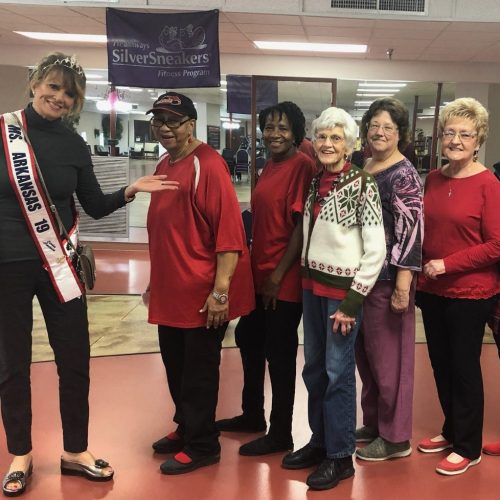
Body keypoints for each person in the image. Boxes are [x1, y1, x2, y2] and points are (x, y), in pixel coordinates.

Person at [0, 52, 178, 496]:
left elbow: (94, 205)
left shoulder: (74, 145)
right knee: (11, 365)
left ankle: (75, 450)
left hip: (60, 265)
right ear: (35, 83)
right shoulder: (5, 133)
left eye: (69, 93)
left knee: (75, 360)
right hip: (7, 264)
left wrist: (132, 189)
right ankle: (20, 453)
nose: (59, 97)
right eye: (53, 87)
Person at [145, 92, 254, 474]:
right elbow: (166, 232)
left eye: (173, 121)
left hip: (202, 294)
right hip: (171, 291)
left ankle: (204, 443)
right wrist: (153, 283)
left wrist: (220, 291)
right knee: (175, 365)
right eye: (158, 120)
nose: (164, 127)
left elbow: (229, 236)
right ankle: (186, 426)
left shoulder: (208, 165)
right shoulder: (164, 163)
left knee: (198, 372)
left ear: (191, 124)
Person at [282, 107, 385, 490]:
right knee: (313, 369)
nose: (328, 144)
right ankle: (320, 440)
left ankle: (340, 457)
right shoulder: (316, 181)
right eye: (322, 136)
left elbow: (376, 250)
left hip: (341, 298)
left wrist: (352, 302)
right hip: (311, 289)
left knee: (337, 374)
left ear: (351, 145)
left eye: (336, 137)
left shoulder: (363, 184)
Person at [215, 102, 316, 455]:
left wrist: (276, 276)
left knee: (280, 352)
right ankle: (252, 414)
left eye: (283, 128)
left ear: (296, 132)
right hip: (260, 273)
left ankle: (281, 432)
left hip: (282, 279)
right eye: (269, 127)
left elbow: (301, 228)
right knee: (247, 335)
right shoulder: (269, 165)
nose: (274, 133)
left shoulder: (302, 167)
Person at [416, 97, 500, 475]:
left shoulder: (489, 184)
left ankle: (469, 446)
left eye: (464, 134)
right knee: (441, 364)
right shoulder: (433, 178)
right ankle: (451, 430)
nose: (455, 140)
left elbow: (497, 244)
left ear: (478, 140)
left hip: (471, 291)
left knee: (464, 367)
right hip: (432, 290)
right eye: (449, 132)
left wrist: (447, 264)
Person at [354, 98, 423, 461]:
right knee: (367, 357)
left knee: (390, 362)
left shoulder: (404, 174)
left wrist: (402, 285)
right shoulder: (365, 165)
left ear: (400, 134)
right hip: (362, 279)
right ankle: (375, 423)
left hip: (387, 281)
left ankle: (396, 438)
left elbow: (411, 233)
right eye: (374, 125)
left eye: (388, 128)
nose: (379, 133)